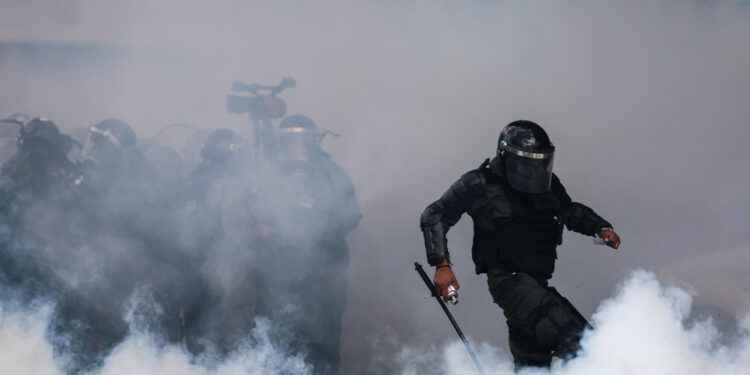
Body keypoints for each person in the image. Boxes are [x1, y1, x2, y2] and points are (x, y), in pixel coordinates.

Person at [420, 120, 621, 369]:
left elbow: (568, 210)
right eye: (525, 163)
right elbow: (435, 214)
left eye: (538, 163)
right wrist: (441, 264)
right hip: (508, 281)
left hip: (536, 283)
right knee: (576, 340)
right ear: (506, 157)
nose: (531, 171)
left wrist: (600, 228)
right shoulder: (479, 183)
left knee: (533, 363)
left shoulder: (546, 183)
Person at [262, 114, 361, 374]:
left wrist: (318, 230)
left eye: (302, 139)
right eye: (291, 140)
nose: (298, 146)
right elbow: (255, 214)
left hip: (325, 266)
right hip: (281, 271)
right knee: (282, 336)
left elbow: (351, 215)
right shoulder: (269, 173)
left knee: (325, 336)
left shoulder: (331, 173)